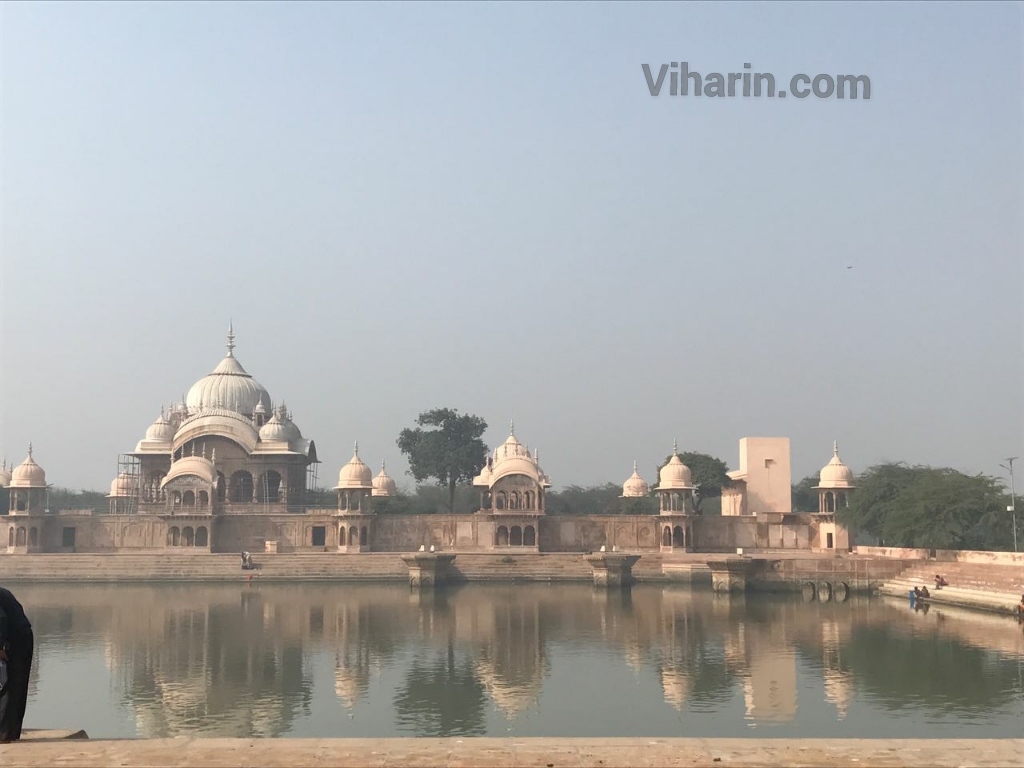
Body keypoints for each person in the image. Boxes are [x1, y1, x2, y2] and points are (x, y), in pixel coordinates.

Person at [0, 586, 34, 743]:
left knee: (8, 684)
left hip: (16, 639)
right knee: (17, 685)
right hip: (21, 635)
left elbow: (2, 619)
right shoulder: (3, 592)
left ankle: (4, 733)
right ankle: (11, 732)